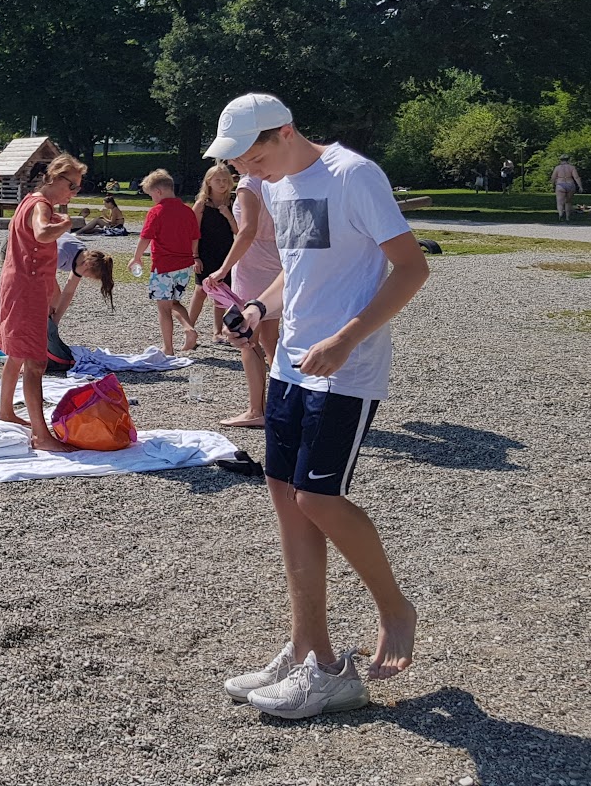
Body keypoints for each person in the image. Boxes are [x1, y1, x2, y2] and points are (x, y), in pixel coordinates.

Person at [205, 92, 428, 719]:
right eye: (237, 161)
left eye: (253, 155)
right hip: (289, 365)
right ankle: (315, 655)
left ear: (285, 132)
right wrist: (256, 309)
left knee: (316, 498)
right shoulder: (278, 184)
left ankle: (393, 607)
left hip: (345, 369)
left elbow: (411, 269)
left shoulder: (352, 175)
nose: (246, 171)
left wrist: (347, 338)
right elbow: (294, 273)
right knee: (286, 498)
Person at [0, 154, 84, 453]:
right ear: (55, 178)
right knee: (36, 362)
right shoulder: (41, 206)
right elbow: (42, 233)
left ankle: (6, 411)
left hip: (19, 286)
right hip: (26, 290)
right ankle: (41, 435)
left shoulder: (29, 200)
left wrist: (51, 289)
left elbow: (33, 248)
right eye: (71, 186)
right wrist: (67, 224)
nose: (73, 193)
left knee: (18, 353)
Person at [205, 161, 282, 428]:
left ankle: (255, 409)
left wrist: (223, 269)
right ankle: (287, 403)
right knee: (272, 341)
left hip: (253, 266)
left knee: (246, 340)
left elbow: (246, 230)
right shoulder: (277, 177)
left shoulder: (250, 184)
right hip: (276, 261)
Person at [129, 170, 200, 355]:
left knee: (163, 309)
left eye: (151, 194)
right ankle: (188, 328)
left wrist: (136, 257)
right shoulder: (187, 211)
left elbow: (145, 237)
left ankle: (168, 348)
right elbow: (195, 238)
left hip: (163, 267)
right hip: (184, 266)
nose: (152, 199)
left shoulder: (156, 212)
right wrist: (193, 256)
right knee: (175, 302)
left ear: (158, 191)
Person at [187, 163, 240, 344]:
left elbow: (238, 231)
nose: (222, 183)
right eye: (218, 180)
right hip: (204, 253)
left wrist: (228, 214)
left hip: (225, 252)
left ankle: (217, 331)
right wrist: (195, 256)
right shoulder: (201, 204)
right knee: (201, 290)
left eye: (225, 180)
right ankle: (190, 329)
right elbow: (193, 232)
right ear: (209, 182)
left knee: (222, 292)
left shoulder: (233, 202)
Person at [51, 231, 116, 325]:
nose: (84, 276)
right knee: (53, 295)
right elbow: (44, 277)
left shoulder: (82, 257)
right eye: (88, 275)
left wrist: (55, 320)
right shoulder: (62, 255)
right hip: (28, 252)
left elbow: (69, 292)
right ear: (88, 265)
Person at [551, 155, 582, 220]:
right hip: (570, 184)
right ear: (568, 160)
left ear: (560, 160)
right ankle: (567, 217)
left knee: (559, 202)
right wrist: (580, 186)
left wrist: (552, 184)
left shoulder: (557, 168)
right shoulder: (572, 167)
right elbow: (576, 177)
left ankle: (561, 215)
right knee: (568, 202)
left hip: (560, 184)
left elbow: (553, 177)